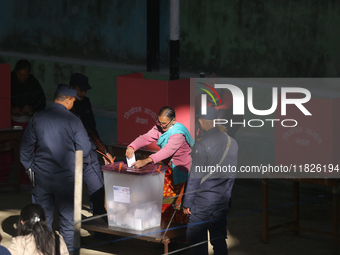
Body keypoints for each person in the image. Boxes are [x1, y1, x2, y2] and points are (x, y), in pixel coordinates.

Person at [20, 84, 91, 252]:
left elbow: (25, 148)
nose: (73, 104)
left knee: (42, 221)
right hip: (66, 178)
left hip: (42, 177)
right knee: (67, 221)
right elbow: (85, 148)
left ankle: (44, 251)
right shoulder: (74, 120)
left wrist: (30, 169)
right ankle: (68, 252)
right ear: (68, 100)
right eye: (73, 100)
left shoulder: (38, 117)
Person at [182, 107, 238, 255]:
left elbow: (195, 177)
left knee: (197, 237)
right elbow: (232, 175)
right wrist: (227, 197)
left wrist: (187, 203)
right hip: (221, 199)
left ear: (200, 121)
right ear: (217, 120)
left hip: (202, 201)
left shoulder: (201, 145)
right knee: (219, 238)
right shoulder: (232, 142)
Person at [126, 106, 194, 224]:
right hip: (168, 168)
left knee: (174, 202)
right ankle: (164, 228)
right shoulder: (160, 128)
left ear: (173, 121)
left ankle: (176, 233)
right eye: (159, 122)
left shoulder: (178, 134)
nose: (161, 126)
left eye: (165, 124)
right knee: (164, 201)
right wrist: (132, 146)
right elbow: (146, 137)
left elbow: (166, 151)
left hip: (181, 170)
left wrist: (146, 161)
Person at [69, 73, 110, 217]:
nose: (83, 93)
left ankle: (99, 228)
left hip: (90, 154)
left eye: (85, 90)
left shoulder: (85, 102)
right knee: (70, 195)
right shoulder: (66, 107)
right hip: (71, 155)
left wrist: (103, 150)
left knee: (97, 190)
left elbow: (92, 129)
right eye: (80, 90)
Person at [0, 59, 46, 185]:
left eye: (25, 75)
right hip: (8, 122)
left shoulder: (33, 84)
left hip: (27, 123)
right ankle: (3, 177)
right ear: (15, 72)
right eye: (20, 75)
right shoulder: (7, 81)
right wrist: (10, 108)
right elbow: (2, 100)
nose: (22, 78)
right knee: (6, 151)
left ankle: (24, 180)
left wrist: (30, 108)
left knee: (27, 151)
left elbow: (41, 101)